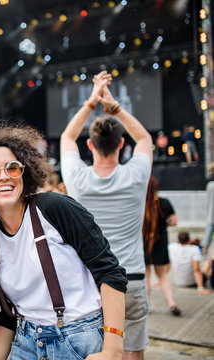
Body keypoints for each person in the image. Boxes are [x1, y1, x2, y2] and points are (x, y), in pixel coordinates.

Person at [0, 123, 127, 360]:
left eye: (12, 167)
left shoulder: (54, 208)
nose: (3, 177)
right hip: (26, 342)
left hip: (79, 340)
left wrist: (113, 350)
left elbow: (110, 272)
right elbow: (6, 317)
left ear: (25, 171)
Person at [60, 71, 152, 360]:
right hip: (132, 279)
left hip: (91, 284)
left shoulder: (77, 177)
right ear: (122, 144)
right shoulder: (137, 175)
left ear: (90, 145)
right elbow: (145, 138)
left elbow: (67, 136)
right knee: (133, 355)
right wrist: (112, 105)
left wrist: (91, 102)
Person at [142, 176, 180, 316]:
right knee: (163, 275)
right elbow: (174, 222)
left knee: (146, 276)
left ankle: (145, 306)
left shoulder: (139, 203)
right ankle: (172, 304)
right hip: (160, 242)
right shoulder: (164, 203)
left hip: (143, 243)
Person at [202, 169, 214, 256]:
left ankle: (204, 252)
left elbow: (207, 201)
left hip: (210, 214)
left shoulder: (210, 185)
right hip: (211, 213)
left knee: (208, 234)